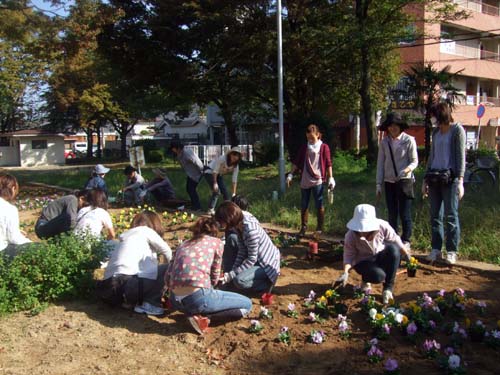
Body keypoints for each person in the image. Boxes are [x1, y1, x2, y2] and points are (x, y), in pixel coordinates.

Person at [166, 216, 252, 335]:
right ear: (214, 231)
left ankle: (194, 313)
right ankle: (205, 318)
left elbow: (169, 273)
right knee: (247, 304)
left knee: (201, 299)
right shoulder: (216, 243)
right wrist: (215, 286)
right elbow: (215, 274)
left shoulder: (184, 244)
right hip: (197, 298)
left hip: (175, 300)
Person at [98, 210, 172, 316]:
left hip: (107, 290)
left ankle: (127, 302)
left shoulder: (126, 237)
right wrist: (168, 278)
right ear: (155, 225)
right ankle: (150, 304)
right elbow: (168, 252)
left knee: (144, 273)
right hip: (129, 286)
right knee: (170, 266)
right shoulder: (146, 231)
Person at [334, 204, 410, 304]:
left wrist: (408, 257)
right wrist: (345, 272)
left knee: (394, 250)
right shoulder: (350, 236)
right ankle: (366, 280)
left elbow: (396, 240)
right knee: (378, 276)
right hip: (363, 262)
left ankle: (388, 289)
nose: (364, 232)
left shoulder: (383, 226)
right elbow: (348, 257)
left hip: (379, 256)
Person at [422, 102, 466, 265]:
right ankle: (436, 249)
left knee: (451, 215)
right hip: (434, 177)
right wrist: (425, 179)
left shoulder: (457, 131)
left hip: (450, 179)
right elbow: (432, 157)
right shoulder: (435, 133)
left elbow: (461, 156)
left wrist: (460, 180)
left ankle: (452, 251)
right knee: (435, 215)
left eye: (434, 115)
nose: (432, 119)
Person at [214, 201, 280, 293]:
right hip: (255, 256)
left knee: (239, 281)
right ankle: (227, 281)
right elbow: (242, 250)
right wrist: (231, 271)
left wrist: (232, 275)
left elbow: (251, 259)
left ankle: (265, 284)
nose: (221, 225)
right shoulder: (238, 221)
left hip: (265, 263)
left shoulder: (251, 231)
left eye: (222, 222)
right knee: (232, 238)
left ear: (229, 220)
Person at [376, 113, 418, 247]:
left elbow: (414, 161)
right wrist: (378, 183)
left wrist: (405, 171)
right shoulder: (384, 142)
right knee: (392, 213)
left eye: (395, 126)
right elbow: (380, 164)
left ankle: (406, 240)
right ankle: (393, 238)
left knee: (405, 213)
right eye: (390, 126)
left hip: (404, 181)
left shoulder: (409, 140)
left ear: (400, 127)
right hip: (389, 182)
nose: (393, 128)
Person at [286, 124, 335, 237]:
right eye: (308, 138)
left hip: (318, 180)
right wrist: (290, 175)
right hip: (305, 180)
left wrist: (331, 177)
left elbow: (328, 163)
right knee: (304, 204)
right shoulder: (305, 147)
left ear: (318, 135)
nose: (310, 140)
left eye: (312, 138)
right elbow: (297, 162)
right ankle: (303, 228)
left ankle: (319, 228)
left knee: (319, 203)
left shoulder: (324, 147)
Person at [0, 173, 32, 257]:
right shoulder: (9, 209)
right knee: (37, 248)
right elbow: (14, 238)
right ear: (13, 188)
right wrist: (31, 243)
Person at [204, 146, 242, 215]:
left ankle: (228, 211)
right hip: (210, 171)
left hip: (219, 175)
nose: (235, 157)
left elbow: (234, 180)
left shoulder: (236, 166)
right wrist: (215, 183)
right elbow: (215, 171)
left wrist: (234, 193)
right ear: (230, 154)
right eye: (234, 154)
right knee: (217, 190)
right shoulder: (222, 158)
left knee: (225, 192)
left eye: (237, 155)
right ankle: (210, 209)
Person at [170, 142, 204, 211]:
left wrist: (202, 170)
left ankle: (197, 207)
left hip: (196, 173)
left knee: (191, 189)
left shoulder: (187, 152)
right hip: (190, 174)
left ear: (178, 148)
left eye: (174, 149)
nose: (173, 151)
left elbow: (196, 161)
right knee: (189, 189)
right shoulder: (180, 154)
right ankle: (195, 205)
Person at [222, 195, 249, 273]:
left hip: (246, 253)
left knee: (231, 238)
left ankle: (228, 273)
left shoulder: (245, 222)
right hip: (241, 253)